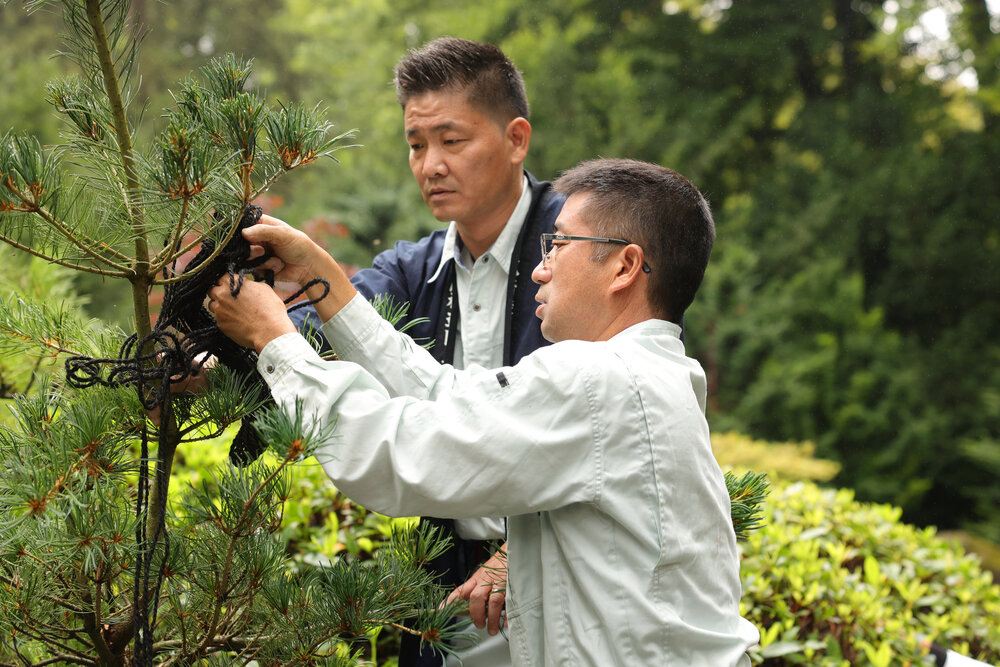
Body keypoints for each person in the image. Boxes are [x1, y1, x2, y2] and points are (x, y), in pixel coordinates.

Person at [207, 157, 761, 666]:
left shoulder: (598, 382)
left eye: (558, 245)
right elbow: (446, 398)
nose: (541, 270)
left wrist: (275, 340)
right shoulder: (649, 374)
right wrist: (318, 275)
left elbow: (401, 453)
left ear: (624, 267)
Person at [289, 37, 564, 666]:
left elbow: (613, 414)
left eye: (452, 140)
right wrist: (221, 358)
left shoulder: (577, 249)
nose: (430, 165)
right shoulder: (413, 269)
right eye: (416, 145)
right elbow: (319, 317)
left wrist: (518, 553)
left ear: (516, 138)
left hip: (563, 565)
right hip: (448, 583)